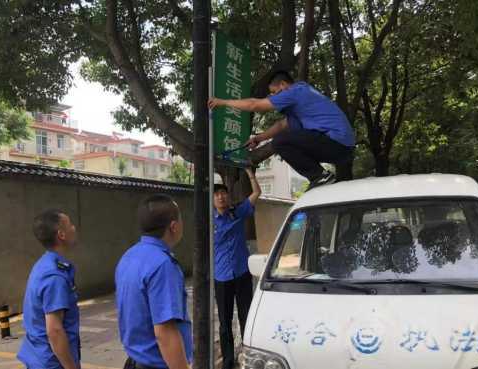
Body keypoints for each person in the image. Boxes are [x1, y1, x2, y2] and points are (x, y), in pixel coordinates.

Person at [209, 70, 355, 189]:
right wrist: (258, 138)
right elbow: (281, 125)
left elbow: (255, 105)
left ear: (284, 85)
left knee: (280, 142)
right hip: (343, 148)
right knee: (283, 138)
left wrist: (222, 102)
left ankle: (320, 176)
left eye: (274, 92)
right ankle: (319, 178)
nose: (273, 97)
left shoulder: (294, 92)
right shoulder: (301, 101)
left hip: (337, 142)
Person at [115, 194, 192, 369]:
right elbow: (165, 332)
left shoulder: (129, 256)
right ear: (173, 226)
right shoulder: (163, 265)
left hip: (134, 361)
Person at [17, 210, 80, 369]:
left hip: (41, 357)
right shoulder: (54, 276)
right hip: (52, 363)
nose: (74, 228)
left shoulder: (45, 264)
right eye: (70, 225)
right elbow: (55, 331)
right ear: (61, 235)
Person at [213, 168, 261, 369]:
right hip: (222, 277)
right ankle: (228, 361)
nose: (221, 197)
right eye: (216, 195)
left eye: (223, 193)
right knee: (225, 323)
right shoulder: (208, 222)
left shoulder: (237, 212)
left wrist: (250, 173)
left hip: (241, 273)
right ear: (213, 200)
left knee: (246, 316)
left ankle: (248, 355)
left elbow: (256, 193)